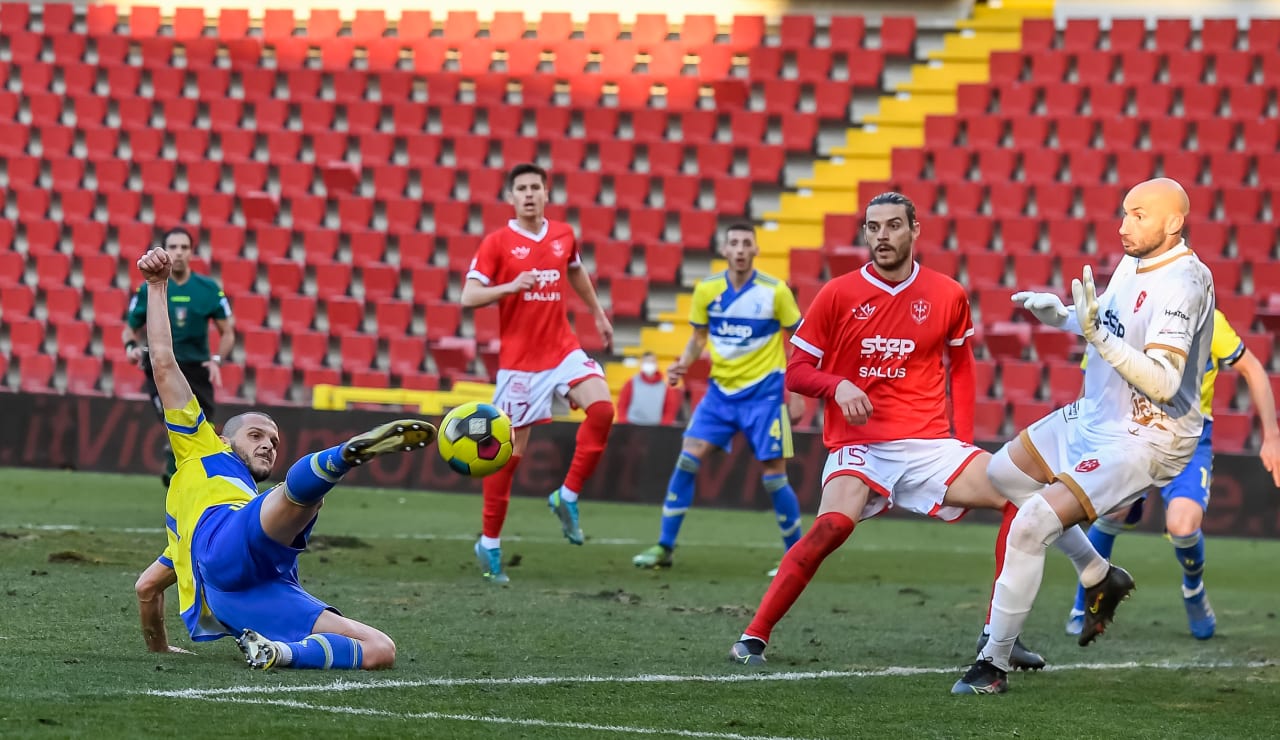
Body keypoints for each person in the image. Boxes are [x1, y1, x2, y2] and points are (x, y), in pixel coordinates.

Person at [727, 193, 1067, 668]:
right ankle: (754, 635)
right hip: (859, 446)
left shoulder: (947, 293)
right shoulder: (838, 293)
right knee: (831, 527)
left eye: (891, 226)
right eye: (872, 227)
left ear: (914, 230)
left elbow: (963, 368)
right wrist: (838, 385)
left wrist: (964, 441)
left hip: (930, 444)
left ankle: (998, 636)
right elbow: (797, 370)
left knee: (1023, 500)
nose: (881, 236)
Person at [954, 178, 1215, 695]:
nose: (1123, 226)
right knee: (1004, 474)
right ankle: (1099, 574)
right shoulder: (1131, 260)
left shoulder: (1185, 280)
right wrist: (1068, 318)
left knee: (1031, 525)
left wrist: (1095, 335)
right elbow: (1110, 326)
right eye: (1123, 213)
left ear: (1173, 222)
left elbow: (1163, 382)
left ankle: (993, 663)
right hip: (1096, 411)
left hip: (1147, 433)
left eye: (1138, 215)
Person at [133, 245, 437, 670]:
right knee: (296, 498)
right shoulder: (202, 448)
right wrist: (156, 285)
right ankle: (341, 459)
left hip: (256, 594)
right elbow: (163, 363)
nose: (267, 445)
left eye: (274, 442)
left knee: (380, 649)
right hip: (228, 539)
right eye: (256, 435)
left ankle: (278, 652)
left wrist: (158, 648)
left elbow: (147, 588)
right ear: (224, 440)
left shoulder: (185, 538)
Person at [1064, 308, 1280, 639]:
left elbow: (1252, 368)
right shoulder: (1128, 313)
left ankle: (1193, 590)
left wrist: (1272, 436)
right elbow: (1093, 378)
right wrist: (1081, 435)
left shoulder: (1208, 320)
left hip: (1190, 440)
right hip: (1134, 432)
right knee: (1110, 512)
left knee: (1183, 525)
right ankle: (1086, 600)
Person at [461, 163, 617, 584]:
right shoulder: (497, 243)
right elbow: (469, 295)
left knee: (602, 411)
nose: (529, 194)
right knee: (506, 459)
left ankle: (566, 496)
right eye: (521, 188)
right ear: (511, 197)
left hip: (563, 349)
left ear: (546, 193)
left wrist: (599, 316)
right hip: (520, 366)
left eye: (536, 187)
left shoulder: (563, 234)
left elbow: (576, 271)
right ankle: (489, 544)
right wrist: (508, 288)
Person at [632, 223, 806, 574]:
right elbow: (699, 337)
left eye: (746, 243)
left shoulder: (775, 292)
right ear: (723, 250)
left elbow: (802, 341)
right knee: (686, 460)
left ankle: (797, 557)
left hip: (765, 396)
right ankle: (665, 546)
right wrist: (683, 364)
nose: (740, 249)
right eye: (734, 244)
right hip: (720, 395)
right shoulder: (707, 290)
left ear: (756, 249)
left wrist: (798, 391)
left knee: (774, 476)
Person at [124, 227, 235, 487]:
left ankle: (180, 467)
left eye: (184, 247)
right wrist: (131, 346)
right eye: (173, 247)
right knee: (174, 416)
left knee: (205, 426)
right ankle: (180, 474)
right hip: (160, 367)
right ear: (165, 250)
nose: (179, 252)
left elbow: (227, 332)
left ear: (192, 252)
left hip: (196, 367)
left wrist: (217, 359)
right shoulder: (148, 289)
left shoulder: (208, 289)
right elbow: (130, 327)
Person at [617, 352, 683, 426]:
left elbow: (670, 408)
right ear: (642, 364)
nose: (649, 364)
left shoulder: (665, 385)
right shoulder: (631, 383)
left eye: (652, 362)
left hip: (655, 428)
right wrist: (623, 423)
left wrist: (664, 427)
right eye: (647, 362)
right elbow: (622, 404)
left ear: (656, 364)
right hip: (632, 426)